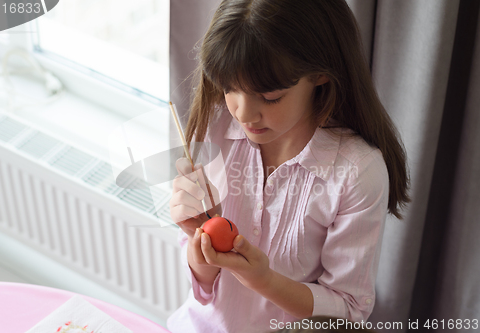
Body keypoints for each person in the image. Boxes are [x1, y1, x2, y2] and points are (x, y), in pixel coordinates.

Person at [167, 0, 411, 332]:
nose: (243, 113)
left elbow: (349, 310)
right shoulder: (216, 125)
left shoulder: (357, 173)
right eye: (229, 89)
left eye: (269, 97)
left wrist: (262, 279)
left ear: (320, 73)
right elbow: (203, 289)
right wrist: (199, 242)